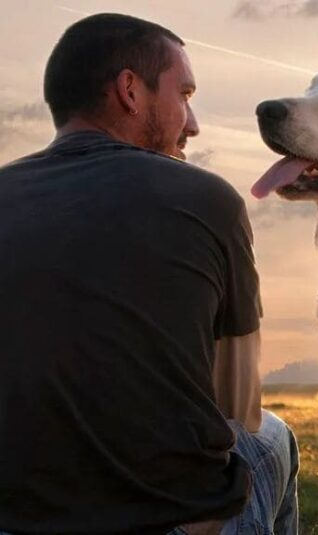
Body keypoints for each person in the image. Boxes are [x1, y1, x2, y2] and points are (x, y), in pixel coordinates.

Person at [0, 13, 298, 535]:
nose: (194, 122)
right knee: (273, 435)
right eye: (184, 93)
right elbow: (238, 409)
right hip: (170, 521)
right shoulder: (206, 199)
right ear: (130, 91)